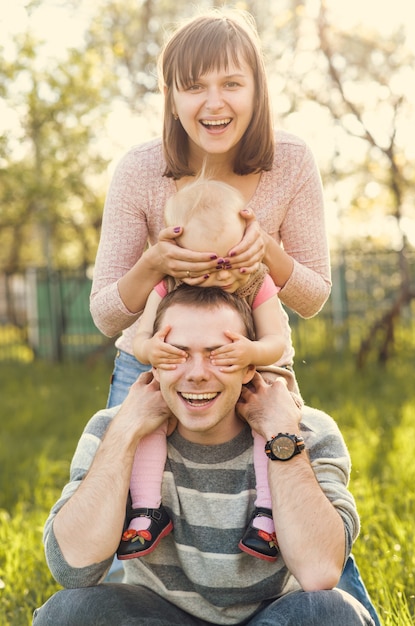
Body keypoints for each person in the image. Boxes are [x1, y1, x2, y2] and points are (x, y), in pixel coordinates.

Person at [89, 8, 380, 623]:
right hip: (159, 358)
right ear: (170, 95)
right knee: (133, 521)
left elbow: (313, 295)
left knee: (289, 493)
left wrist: (267, 256)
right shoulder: (141, 171)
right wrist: (152, 266)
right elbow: (105, 312)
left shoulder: (289, 163)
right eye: (193, 85)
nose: (213, 102)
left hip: (254, 360)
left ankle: (331, 604)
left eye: (230, 83)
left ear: (257, 88)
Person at [33, 286, 374, 626]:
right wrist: (125, 432)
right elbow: (72, 569)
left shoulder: (305, 431)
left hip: (272, 617)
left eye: (219, 355)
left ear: (249, 369)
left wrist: (281, 437)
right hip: (159, 616)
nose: (196, 374)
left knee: (332, 614)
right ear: (155, 362)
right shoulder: (113, 428)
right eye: (176, 354)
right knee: (68, 613)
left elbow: (320, 573)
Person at [119, 177, 289, 562]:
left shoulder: (256, 282)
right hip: (180, 370)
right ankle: (146, 509)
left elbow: (277, 342)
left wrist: (251, 351)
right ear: (179, 255)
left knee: (272, 424)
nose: (220, 277)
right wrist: (154, 349)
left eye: (229, 262)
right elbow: (140, 339)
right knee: (149, 421)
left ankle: (267, 512)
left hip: (255, 372)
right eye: (204, 266)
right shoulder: (166, 285)